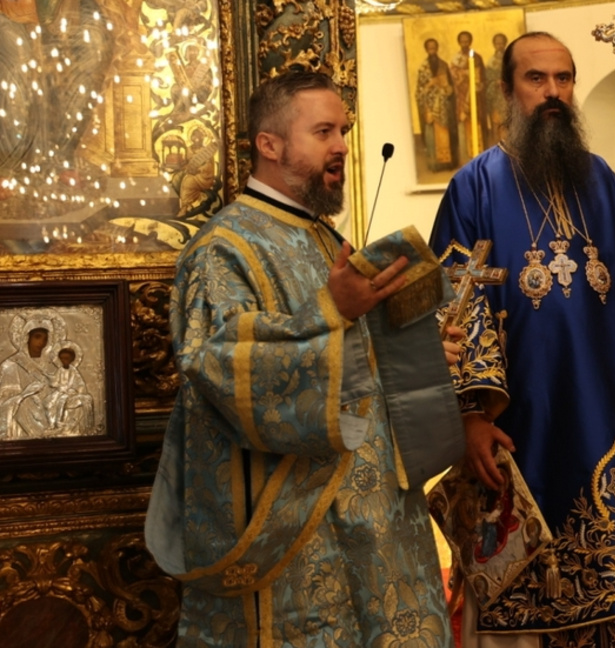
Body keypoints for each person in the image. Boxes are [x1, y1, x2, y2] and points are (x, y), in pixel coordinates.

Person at [145, 70, 463, 647]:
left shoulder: (321, 238)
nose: (341, 144)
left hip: (375, 517)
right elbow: (221, 369)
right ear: (270, 145)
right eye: (323, 131)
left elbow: (357, 357)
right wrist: (332, 313)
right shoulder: (223, 249)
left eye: (342, 130)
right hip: (294, 532)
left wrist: (408, 352)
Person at [430, 31, 615, 648]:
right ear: (506, 90)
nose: (553, 93)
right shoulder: (476, 186)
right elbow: (454, 306)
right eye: (536, 79)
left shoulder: (601, 178)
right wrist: (470, 417)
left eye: (564, 79)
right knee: (526, 594)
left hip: (612, 420)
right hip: (525, 424)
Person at [416, 37, 457, 172]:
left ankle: (446, 163)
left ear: (437, 48)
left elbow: (451, 88)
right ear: (426, 49)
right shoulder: (423, 68)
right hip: (429, 106)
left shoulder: (444, 65)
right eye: (430, 47)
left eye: (434, 46)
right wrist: (430, 84)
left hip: (443, 106)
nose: (432, 49)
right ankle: (434, 164)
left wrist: (446, 88)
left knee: (444, 133)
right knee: (431, 135)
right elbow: (419, 92)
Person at [450, 31, 487, 165]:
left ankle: (479, 156)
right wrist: (463, 75)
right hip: (460, 97)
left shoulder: (477, 57)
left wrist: (475, 83)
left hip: (474, 97)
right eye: (462, 41)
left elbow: (481, 77)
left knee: (476, 125)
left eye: (467, 41)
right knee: (463, 124)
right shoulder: (456, 59)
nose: (464, 43)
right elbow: (453, 77)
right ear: (459, 42)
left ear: (470, 41)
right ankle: (467, 157)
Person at [43, 343, 95, 436]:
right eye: (62, 358)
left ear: (71, 360)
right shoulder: (60, 370)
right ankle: (52, 423)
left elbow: (80, 383)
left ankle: (59, 422)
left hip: (70, 393)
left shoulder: (73, 371)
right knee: (48, 403)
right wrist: (50, 379)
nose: (64, 361)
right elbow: (55, 382)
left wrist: (75, 391)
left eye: (66, 359)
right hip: (60, 391)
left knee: (62, 400)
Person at [485, 33, 509, 148]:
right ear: (494, 45)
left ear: (505, 44)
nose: (499, 46)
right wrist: (495, 83)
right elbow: (487, 80)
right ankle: (497, 149)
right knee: (496, 124)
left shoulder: (511, 60)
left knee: (508, 124)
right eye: (497, 43)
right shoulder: (490, 62)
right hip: (495, 98)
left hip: (507, 99)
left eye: (501, 43)